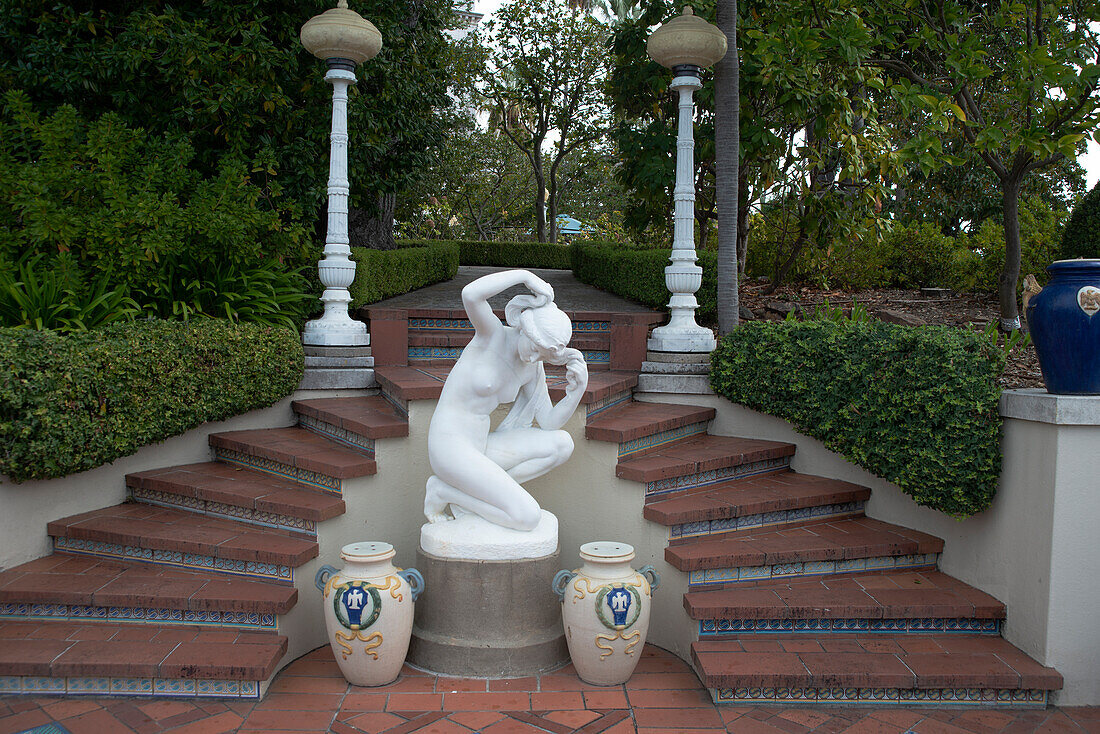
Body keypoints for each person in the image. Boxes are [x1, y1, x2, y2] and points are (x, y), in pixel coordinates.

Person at [424, 270, 589, 531]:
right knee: (527, 517)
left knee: (562, 444)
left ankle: (484, 494)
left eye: (543, 356)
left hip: (482, 446)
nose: (534, 359)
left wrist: (576, 392)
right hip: (450, 447)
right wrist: (525, 276)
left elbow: (548, 423)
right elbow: (470, 294)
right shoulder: (491, 335)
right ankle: (444, 493)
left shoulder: (531, 367)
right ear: (524, 329)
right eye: (535, 349)